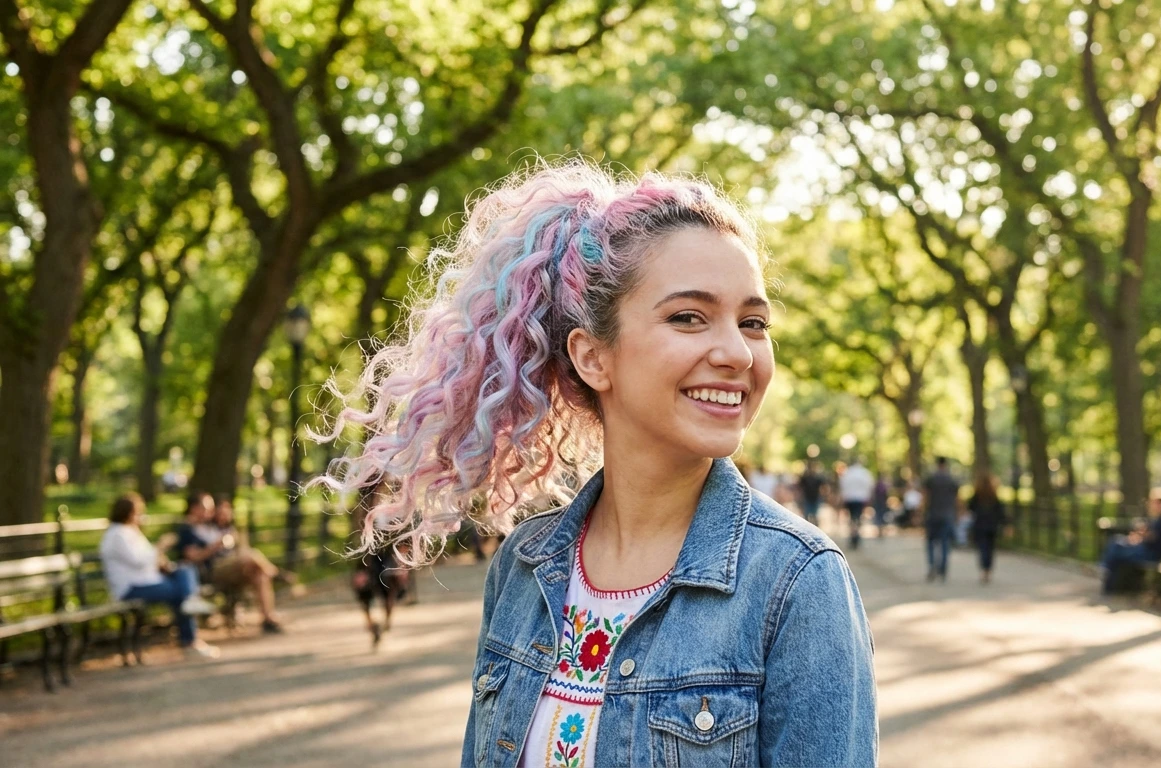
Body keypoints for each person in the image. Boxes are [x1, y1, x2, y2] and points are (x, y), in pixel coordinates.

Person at [312, 163, 877, 767]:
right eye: (688, 315)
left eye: (753, 323)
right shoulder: (523, 567)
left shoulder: (796, 582)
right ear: (592, 357)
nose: (737, 352)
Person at [98, 494, 220, 659]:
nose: (142, 517)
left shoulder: (130, 532)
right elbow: (139, 561)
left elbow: (148, 559)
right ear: (127, 513)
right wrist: (161, 546)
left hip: (149, 581)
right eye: (138, 512)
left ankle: (190, 620)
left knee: (185, 569)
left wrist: (163, 563)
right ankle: (190, 640)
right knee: (181, 594)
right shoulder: (118, 535)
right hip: (132, 588)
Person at [177, 492, 285, 634]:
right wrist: (215, 546)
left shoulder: (211, 526)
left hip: (230, 566)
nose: (211, 512)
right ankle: (276, 572)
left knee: (259, 574)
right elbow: (193, 557)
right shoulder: (188, 530)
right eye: (207, 508)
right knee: (249, 556)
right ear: (194, 508)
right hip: (212, 570)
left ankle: (268, 619)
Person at [1099, 489, 1161, 594]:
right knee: (1116, 542)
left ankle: (1108, 574)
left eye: (1155, 503)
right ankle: (1110, 579)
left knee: (1117, 552)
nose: (1152, 506)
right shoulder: (1158, 519)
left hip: (1152, 554)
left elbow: (1155, 538)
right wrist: (1137, 537)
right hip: (1145, 549)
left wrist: (1143, 535)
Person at [353, 547, 410, 648]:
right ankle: (378, 623)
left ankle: (382, 622)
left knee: (386, 592)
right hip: (372, 561)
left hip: (381, 560)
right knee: (369, 594)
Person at [922, 457, 961, 582]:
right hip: (947, 515)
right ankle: (943, 569)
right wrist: (958, 514)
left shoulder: (931, 479)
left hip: (933, 514)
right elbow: (957, 499)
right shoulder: (951, 480)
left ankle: (932, 565)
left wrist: (921, 512)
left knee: (931, 543)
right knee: (945, 543)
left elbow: (925, 497)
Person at [968, 472, 1006, 585]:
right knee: (990, 549)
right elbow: (1000, 511)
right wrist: (1005, 524)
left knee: (983, 548)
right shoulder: (993, 495)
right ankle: (987, 569)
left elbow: (971, 507)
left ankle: (984, 569)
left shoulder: (977, 495)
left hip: (980, 525)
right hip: (991, 526)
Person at [839, 459, 876, 550]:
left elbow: (842, 485)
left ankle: (853, 533)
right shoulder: (865, 473)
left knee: (852, 518)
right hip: (861, 498)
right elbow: (870, 485)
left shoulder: (847, 473)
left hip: (850, 498)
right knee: (858, 517)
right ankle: (856, 533)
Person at [796, 460, 826, 526]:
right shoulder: (805, 478)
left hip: (815, 497)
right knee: (807, 514)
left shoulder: (818, 478)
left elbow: (822, 487)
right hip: (807, 497)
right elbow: (800, 487)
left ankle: (814, 528)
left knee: (814, 515)